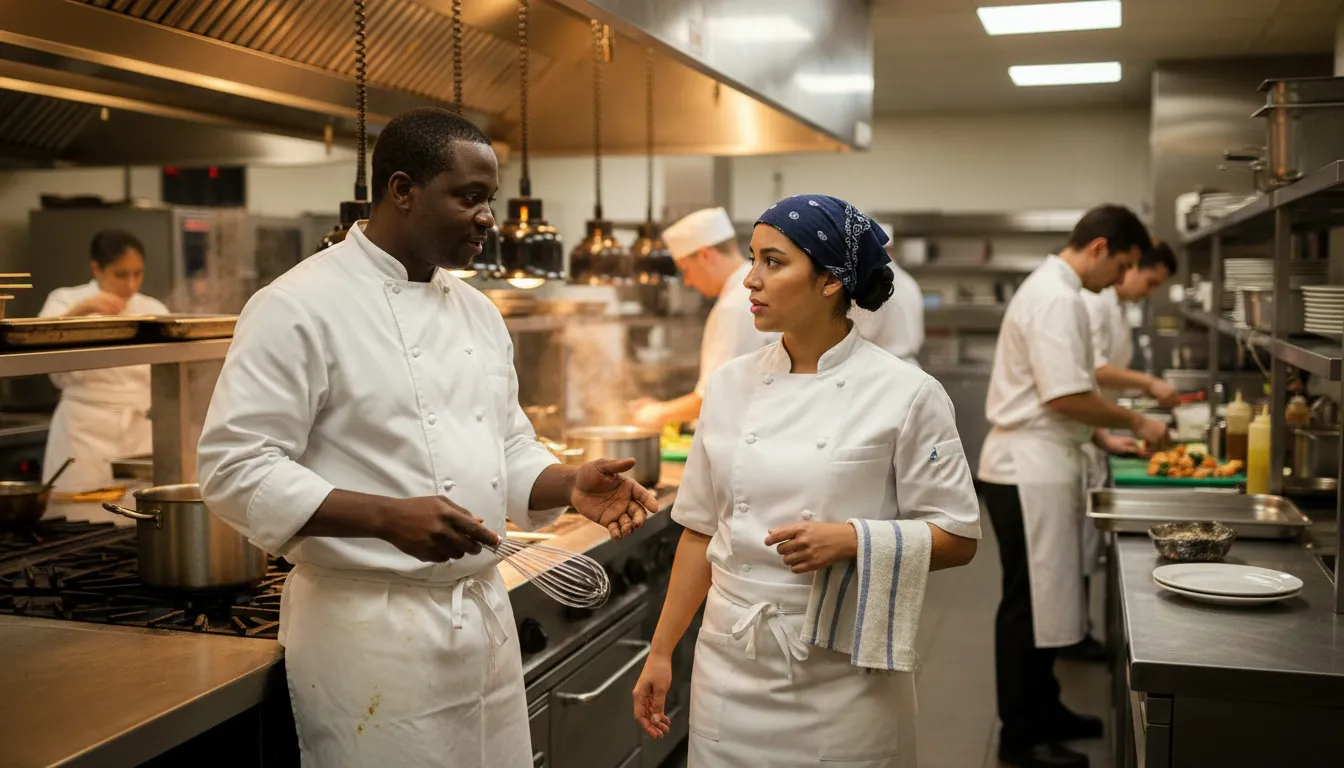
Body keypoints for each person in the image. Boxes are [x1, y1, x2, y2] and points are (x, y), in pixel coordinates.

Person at [197, 107, 658, 768]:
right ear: (402, 191)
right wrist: (385, 516)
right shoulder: (298, 306)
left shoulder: (475, 310)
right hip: (370, 636)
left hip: (482, 622)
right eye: (468, 197)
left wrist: (567, 482)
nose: (488, 218)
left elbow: (507, 443)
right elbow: (233, 466)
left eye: (490, 200)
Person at [631, 195, 981, 767]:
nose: (750, 279)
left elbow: (960, 537)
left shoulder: (907, 393)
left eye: (773, 261)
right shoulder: (728, 386)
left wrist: (853, 540)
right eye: (751, 259)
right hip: (731, 664)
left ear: (829, 281)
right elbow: (699, 531)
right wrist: (662, 650)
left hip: (842, 674)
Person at [978, 205, 1171, 768]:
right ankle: (1021, 736)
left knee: (1042, 598)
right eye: (1124, 266)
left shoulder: (1058, 291)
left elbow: (1065, 394)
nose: (1119, 281)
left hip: (1040, 459)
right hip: (1025, 468)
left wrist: (1102, 438)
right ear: (1100, 248)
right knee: (1025, 604)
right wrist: (1135, 421)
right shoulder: (1056, 298)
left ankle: (1046, 707)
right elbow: (1062, 396)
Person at [1065, 240, 1180, 663]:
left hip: (1092, 429)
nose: (1146, 291)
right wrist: (1147, 388)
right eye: (1146, 279)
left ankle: (1076, 632)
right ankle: (1073, 637)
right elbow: (1091, 373)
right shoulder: (1092, 304)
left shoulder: (1110, 306)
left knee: (1077, 550)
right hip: (1074, 434)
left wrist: (1105, 434)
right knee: (1070, 554)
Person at [39, 230, 169, 492]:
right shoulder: (65, 300)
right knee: (75, 513)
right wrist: (81, 312)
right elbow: (39, 342)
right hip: (83, 427)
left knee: (138, 510)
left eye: (138, 273)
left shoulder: (154, 309)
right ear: (97, 269)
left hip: (140, 427)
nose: (131, 285)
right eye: (121, 274)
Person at [631, 207, 778, 428]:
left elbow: (714, 396)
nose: (688, 281)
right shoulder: (748, 293)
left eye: (685, 270)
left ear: (705, 255)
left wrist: (655, 413)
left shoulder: (736, 306)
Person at [849, 222, 924, 365]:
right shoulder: (908, 281)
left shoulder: (877, 282)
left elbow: (866, 331)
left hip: (885, 365)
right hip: (909, 364)